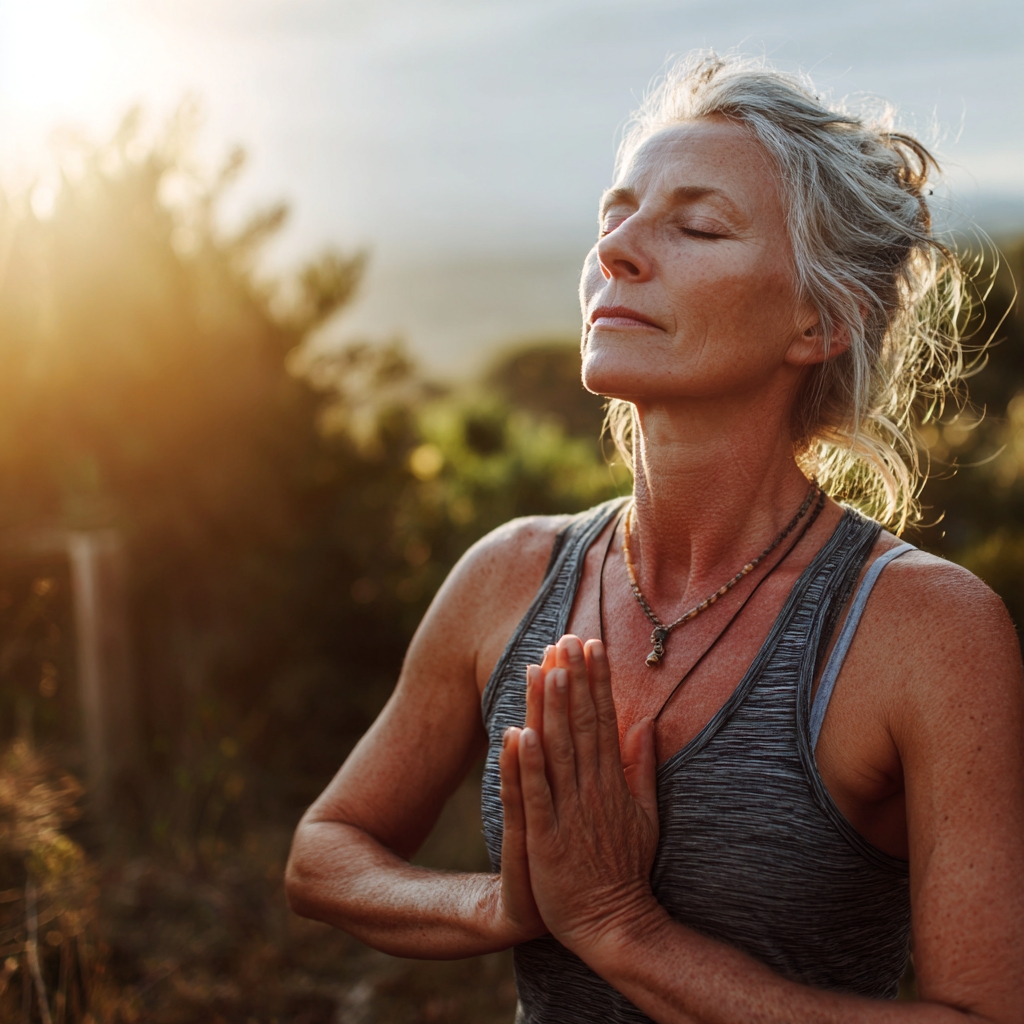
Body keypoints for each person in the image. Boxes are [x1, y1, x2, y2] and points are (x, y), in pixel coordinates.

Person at [285, 53, 1024, 1023]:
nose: (619, 251)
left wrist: (619, 927)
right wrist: (503, 904)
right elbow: (323, 852)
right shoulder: (509, 575)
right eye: (614, 215)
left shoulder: (925, 631)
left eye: (698, 226)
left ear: (818, 320)